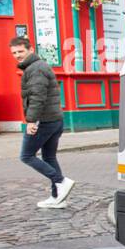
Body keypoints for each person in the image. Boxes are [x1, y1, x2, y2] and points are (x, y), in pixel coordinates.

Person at [10, 36, 75, 209]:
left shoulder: (36, 68)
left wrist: (31, 121)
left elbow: (37, 97)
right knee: (49, 157)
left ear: (30, 49)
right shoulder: (37, 66)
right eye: (14, 52)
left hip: (43, 121)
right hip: (54, 119)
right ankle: (57, 197)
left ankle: (61, 181)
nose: (17, 55)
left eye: (20, 51)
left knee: (26, 156)